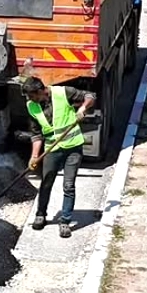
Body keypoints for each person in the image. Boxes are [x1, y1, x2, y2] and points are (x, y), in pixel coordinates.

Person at [22, 76, 94, 238]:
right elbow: (36, 134)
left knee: (68, 185)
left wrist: (82, 109)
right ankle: (41, 214)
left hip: (73, 147)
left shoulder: (63, 93)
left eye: (32, 96)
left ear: (41, 91)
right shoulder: (32, 106)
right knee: (46, 182)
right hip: (52, 150)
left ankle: (65, 221)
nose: (30, 99)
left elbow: (90, 96)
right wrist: (34, 157)